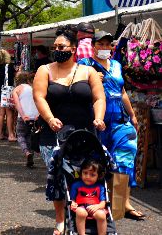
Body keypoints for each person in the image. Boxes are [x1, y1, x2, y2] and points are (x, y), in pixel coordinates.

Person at [33, 25, 106, 235]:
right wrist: (49, 118)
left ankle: (83, 220)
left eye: (61, 46)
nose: (57, 49)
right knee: (57, 177)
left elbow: (99, 98)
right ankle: (60, 220)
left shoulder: (88, 70)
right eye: (54, 46)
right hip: (53, 133)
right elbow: (39, 97)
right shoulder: (44, 70)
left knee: (85, 176)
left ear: (73, 48)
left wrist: (99, 118)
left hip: (85, 134)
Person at [79, 30, 144, 221]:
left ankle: (123, 204)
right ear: (93, 47)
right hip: (97, 120)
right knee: (99, 162)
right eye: (101, 44)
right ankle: (99, 203)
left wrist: (132, 115)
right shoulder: (85, 65)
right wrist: (90, 81)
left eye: (108, 45)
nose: (105, 48)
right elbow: (78, 89)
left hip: (120, 119)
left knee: (125, 158)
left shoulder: (116, 64)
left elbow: (122, 91)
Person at [69, 159, 108, 235]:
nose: (87, 176)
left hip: (95, 208)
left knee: (101, 215)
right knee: (80, 212)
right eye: (85, 173)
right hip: (81, 207)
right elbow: (72, 199)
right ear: (81, 173)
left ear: (98, 176)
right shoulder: (76, 185)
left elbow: (103, 203)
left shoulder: (100, 187)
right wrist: (73, 203)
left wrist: (98, 206)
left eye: (92, 175)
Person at [12, 71, 37, 167]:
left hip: (23, 116)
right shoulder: (32, 88)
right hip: (34, 116)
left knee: (21, 135)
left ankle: (27, 152)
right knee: (30, 136)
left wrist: (22, 115)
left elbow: (17, 104)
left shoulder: (17, 89)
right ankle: (30, 159)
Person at [0, 49, 17, 141]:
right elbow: (15, 76)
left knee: (1, 114)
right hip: (7, 91)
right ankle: (11, 135)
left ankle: (0, 134)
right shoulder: (9, 66)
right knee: (9, 113)